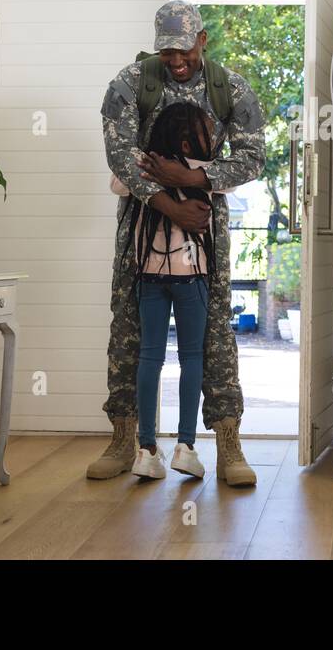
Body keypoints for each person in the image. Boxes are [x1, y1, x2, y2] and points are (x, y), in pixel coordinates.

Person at [92, 0, 266, 486]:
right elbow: (120, 154)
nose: (176, 61)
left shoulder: (229, 88)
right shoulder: (129, 84)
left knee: (214, 335)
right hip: (140, 227)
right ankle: (126, 439)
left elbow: (254, 159)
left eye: (184, 50)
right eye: (167, 52)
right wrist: (169, 203)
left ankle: (227, 443)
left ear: (202, 40)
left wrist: (188, 174)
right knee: (129, 331)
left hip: (207, 229)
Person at [120, 103, 224, 479]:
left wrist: (159, 169)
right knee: (191, 358)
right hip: (191, 276)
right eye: (205, 133)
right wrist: (188, 174)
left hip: (149, 276)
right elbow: (229, 178)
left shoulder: (141, 169)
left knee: (150, 359)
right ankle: (185, 446)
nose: (211, 139)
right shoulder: (204, 172)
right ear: (186, 138)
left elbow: (118, 182)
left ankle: (146, 451)